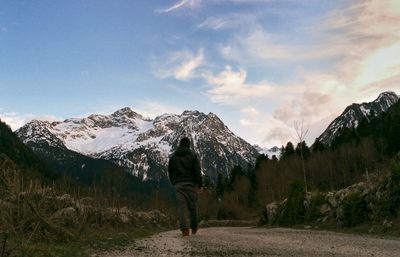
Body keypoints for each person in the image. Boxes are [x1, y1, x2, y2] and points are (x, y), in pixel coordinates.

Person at [168, 137, 203, 237]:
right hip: (191, 186)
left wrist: (173, 182)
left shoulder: (173, 157)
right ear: (188, 145)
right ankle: (194, 227)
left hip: (178, 186)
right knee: (193, 208)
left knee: (181, 208)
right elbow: (197, 171)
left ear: (180, 144)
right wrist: (199, 185)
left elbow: (170, 172)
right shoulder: (193, 156)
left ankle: (184, 230)